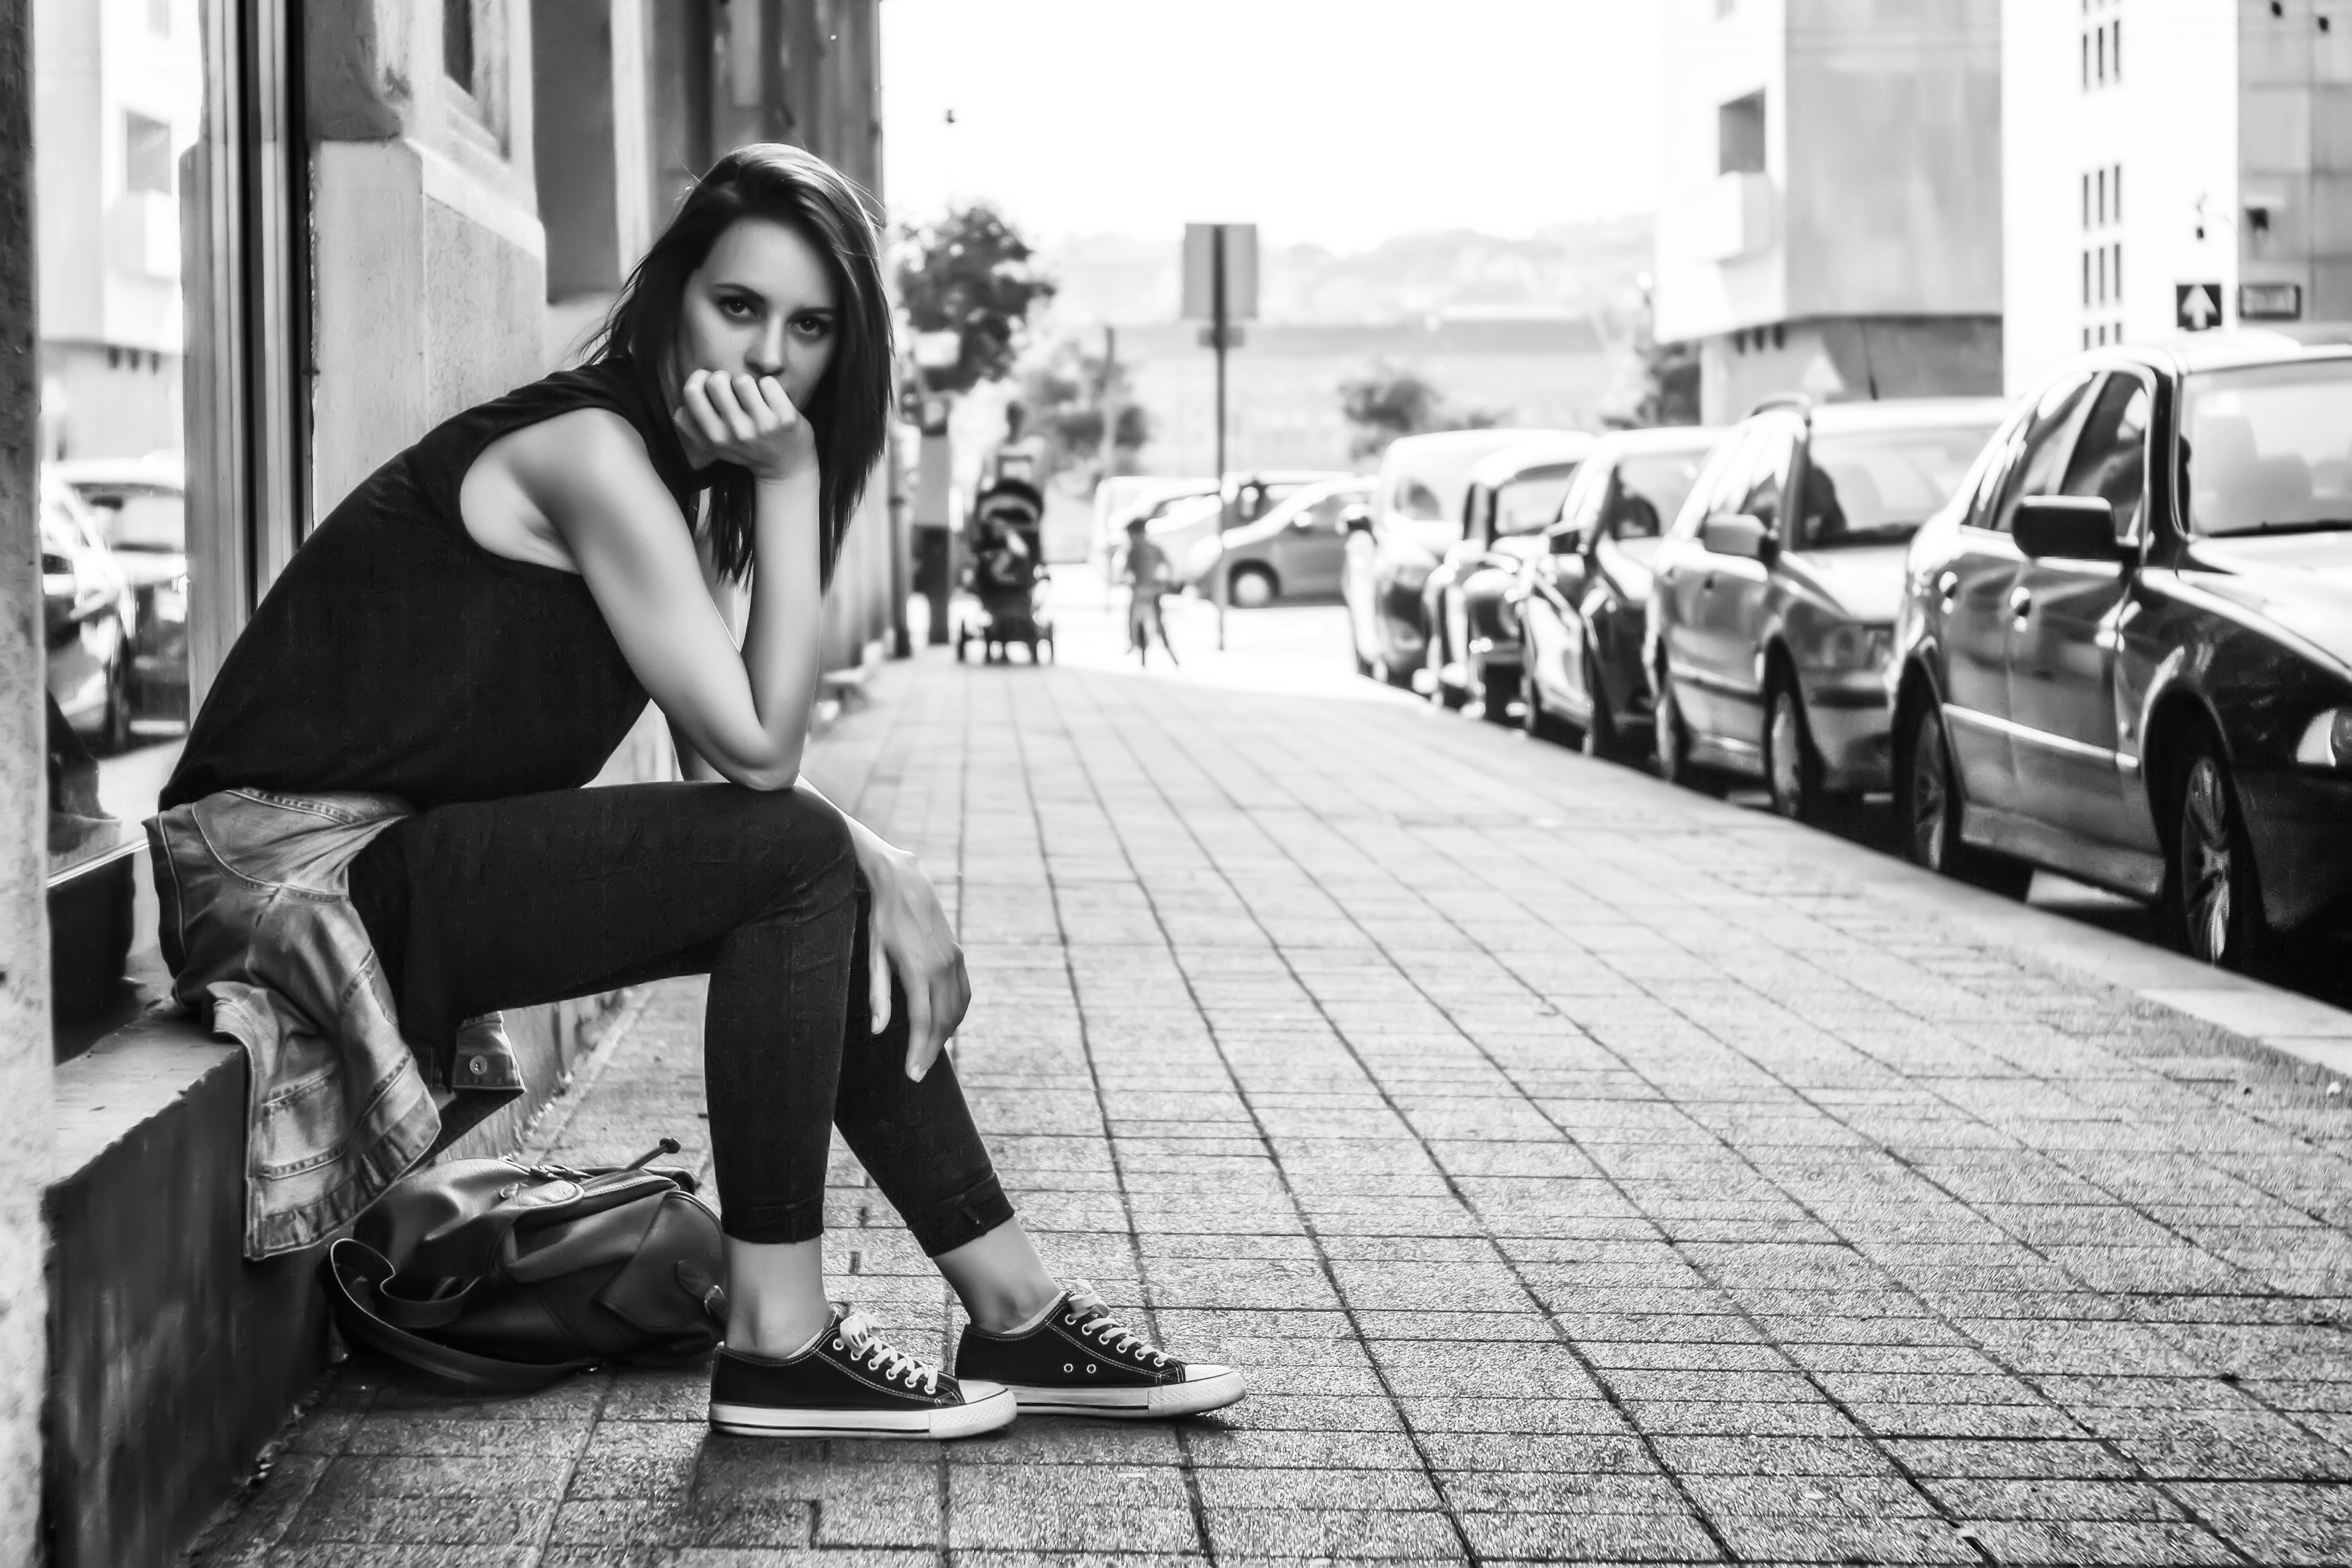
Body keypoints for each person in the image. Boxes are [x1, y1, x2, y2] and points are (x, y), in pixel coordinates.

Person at [147, 144, 1242, 1441]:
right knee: (795, 855)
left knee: (800, 866)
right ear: (671, 296)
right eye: (738, 306)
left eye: (810, 326)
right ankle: (776, 1336)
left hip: (391, 858)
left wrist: (873, 854)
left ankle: (1013, 1305)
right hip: (289, 871)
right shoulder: (587, 452)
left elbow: (723, 763)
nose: (769, 353)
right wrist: (787, 486)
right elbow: (764, 761)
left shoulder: (662, 476)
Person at [1117, 516, 1178, 667]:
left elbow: (1124, 571)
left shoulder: (1132, 550)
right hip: (1153, 589)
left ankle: (1132, 642)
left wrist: (1127, 580)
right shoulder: (1153, 548)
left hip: (1141, 590)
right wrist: (1166, 581)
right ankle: (1169, 652)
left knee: (1132, 618)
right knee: (1157, 622)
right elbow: (1169, 566)